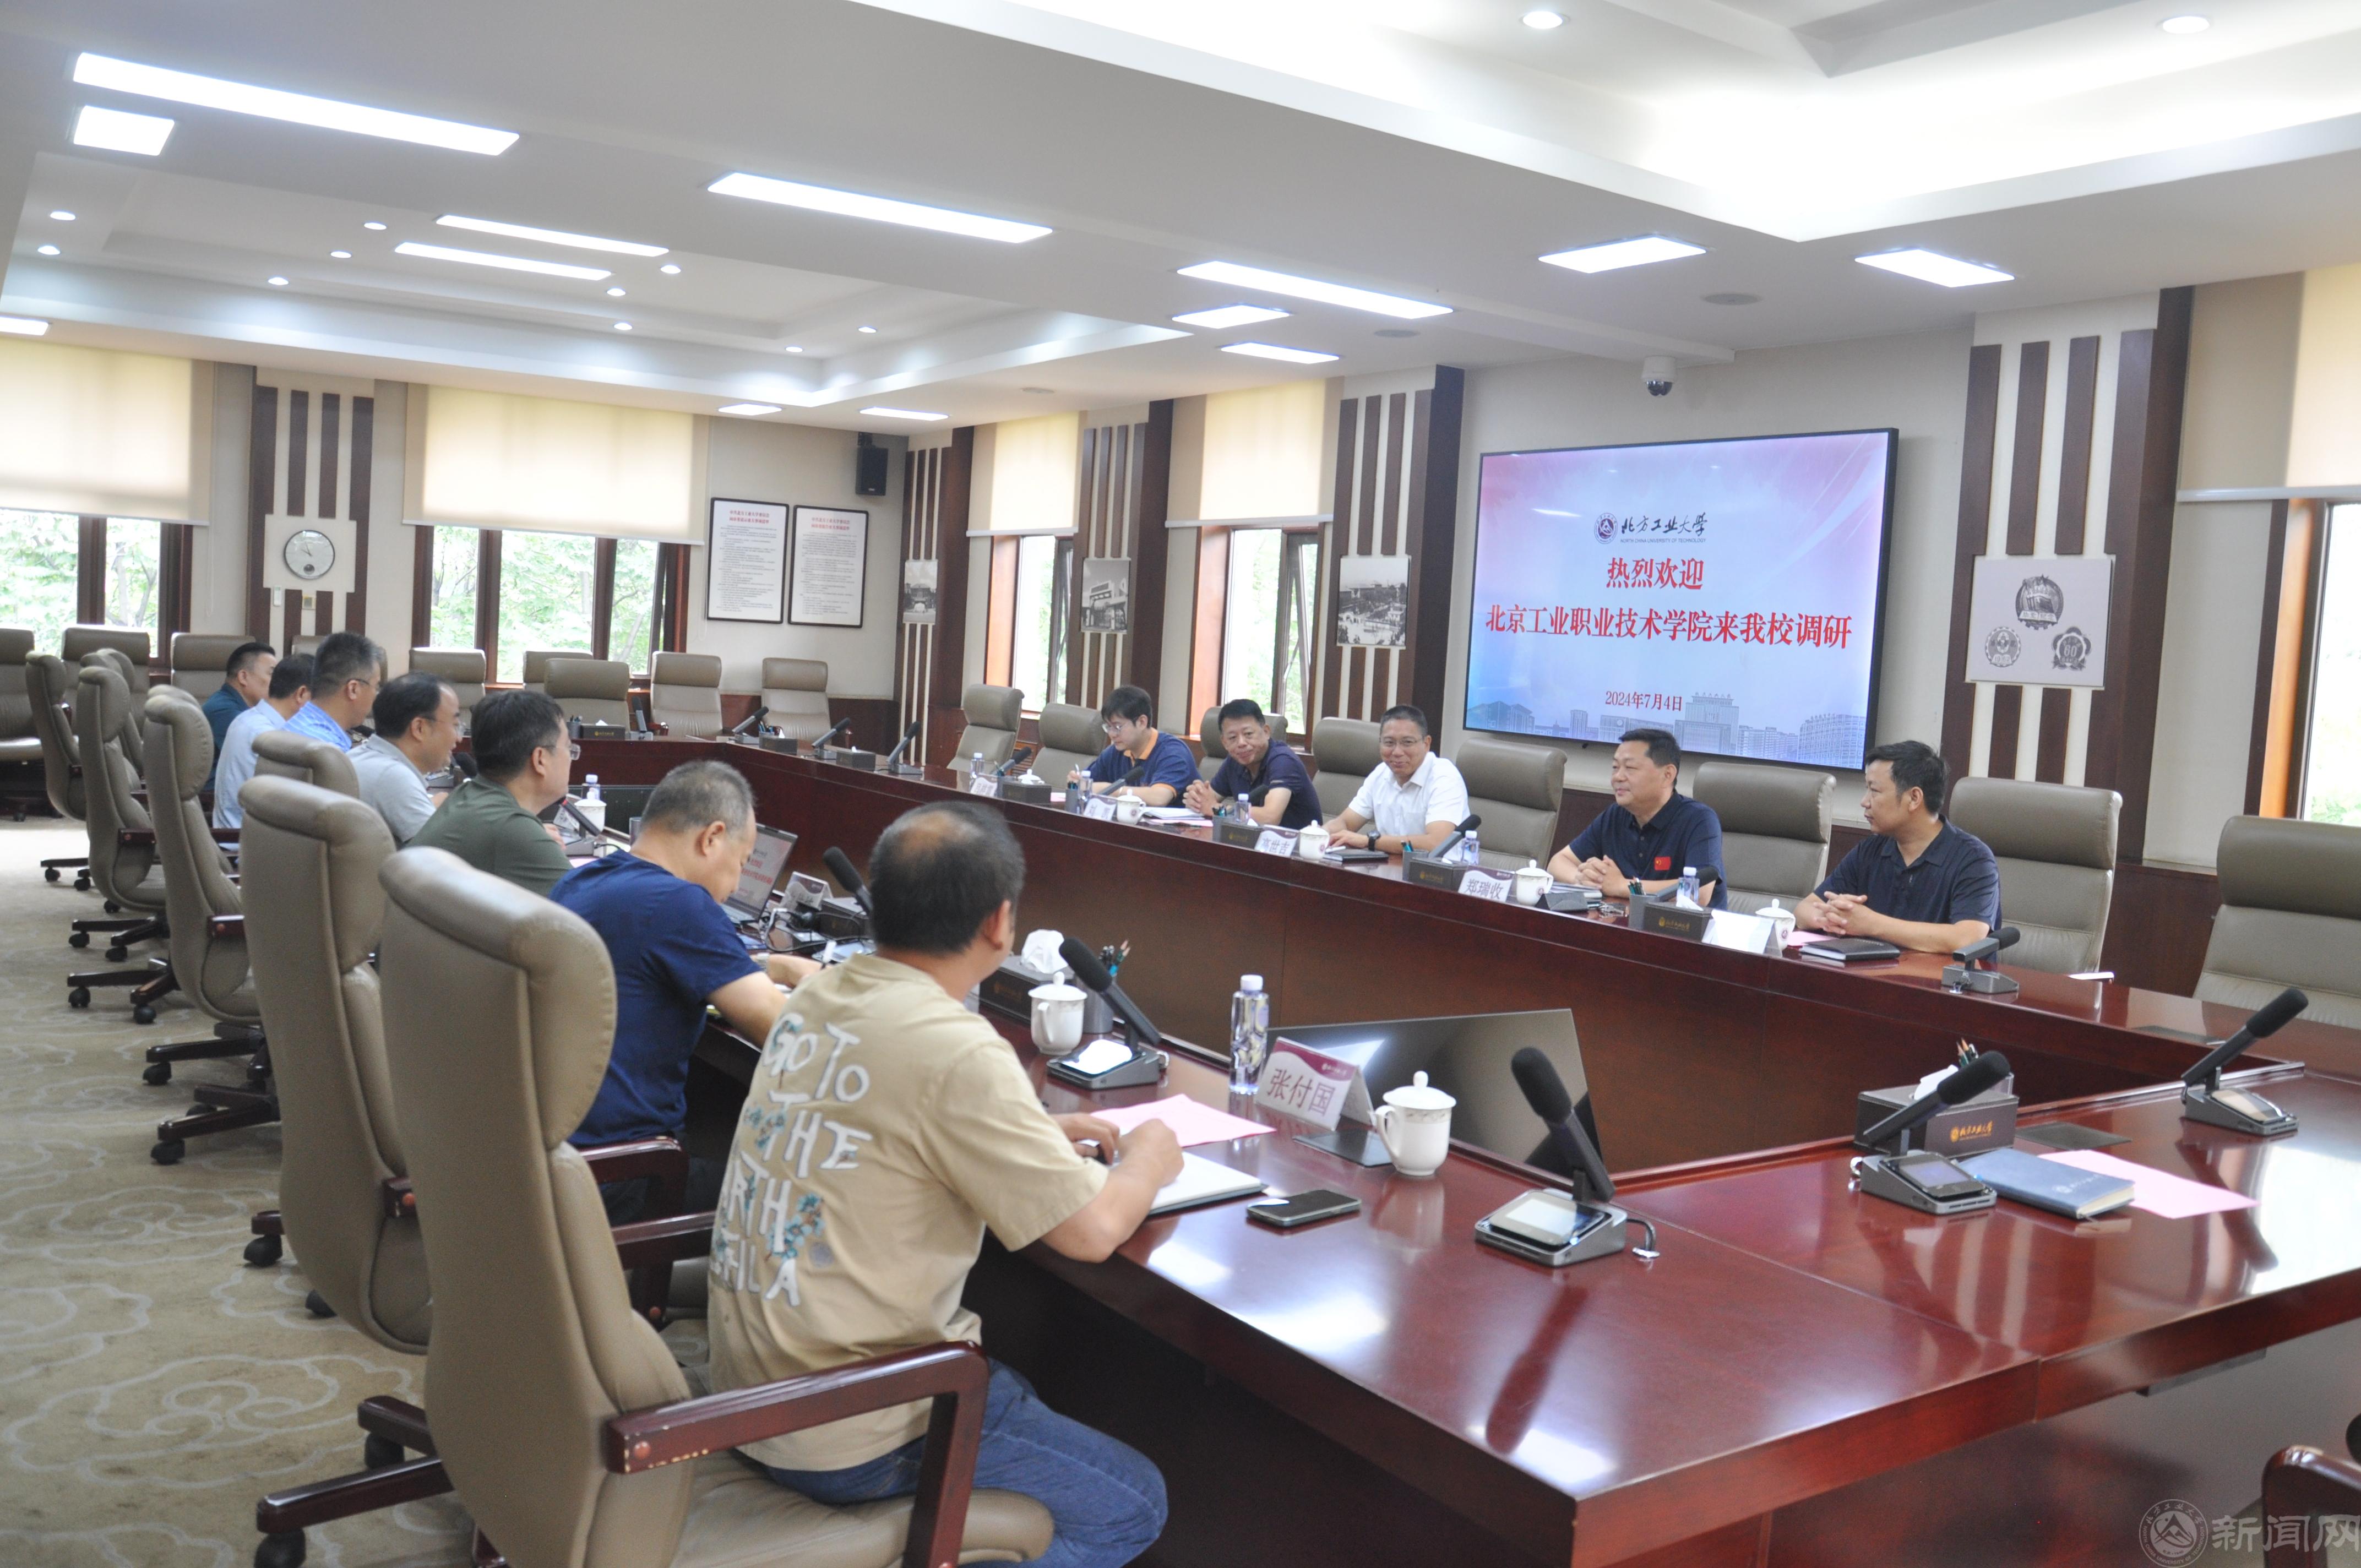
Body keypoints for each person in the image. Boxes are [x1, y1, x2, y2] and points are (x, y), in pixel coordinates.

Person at [710, 802, 1180, 1568]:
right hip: (844, 1429)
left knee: (1019, 1380)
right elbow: (1093, 1231)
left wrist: (1026, 1132)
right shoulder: (958, 1048)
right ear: (1000, 922)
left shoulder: (821, 994)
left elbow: (883, 1115)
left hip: (752, 1392)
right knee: (1132, 1505)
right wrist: (1151, 1156)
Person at [553, 760, 820, 1222]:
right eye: (742, 864)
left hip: (560, 1159)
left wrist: (771, 964)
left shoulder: (583, 880)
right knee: (814, 1192)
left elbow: (643, 957)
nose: (735, 887)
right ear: (712, 837)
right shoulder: (681, 904)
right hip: (627, 1176)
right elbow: (785, 1032)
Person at [1798, 739, 1999, 954]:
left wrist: (1871, 924)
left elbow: (1967, 939)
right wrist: (1835, 918)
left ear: (1914, 798)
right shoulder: (1871, 850)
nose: (1865, 802)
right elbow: (1804, 910)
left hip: (1937, 975)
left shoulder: (1973, 859)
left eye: (1874, 791)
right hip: (1875, 970)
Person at [408, 689, 574, 896]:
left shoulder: (468, 794)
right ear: (540, 759)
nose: (571, 758)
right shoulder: (513, 828)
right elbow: (590, 908)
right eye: (569, 748)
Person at [1548, 728, 1725, 907]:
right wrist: (1583, 879)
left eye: (1630, 768)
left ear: (1667, 775)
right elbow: (1558, 863)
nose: (1618, 777)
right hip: (1625, 921)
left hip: (1684, 925)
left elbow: (1699, 892)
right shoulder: (1615, 815)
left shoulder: (1699, 819)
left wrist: (1622, 886)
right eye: (1615, 767)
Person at [1321, 704, 1470, 856]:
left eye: (1407, 742)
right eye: (1389, 743)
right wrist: (1320, 834)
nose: (1397, 752)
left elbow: (1436, 843)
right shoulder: (1381, 773)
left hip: (1435, 869)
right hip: (1387, 866)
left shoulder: (1444, 777)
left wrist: (1369, 841)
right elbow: (1346, 823)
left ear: (1426, 744)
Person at [349, 670, 460, 845]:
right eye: (455, 725)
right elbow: (442, 854)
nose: (459, 738)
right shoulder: (393, 776)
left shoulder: (361, 755)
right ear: (420, 728)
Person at [1182, 699, 1317, 829]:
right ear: (1224, 742)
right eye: (1233, 738)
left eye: (1248, 734)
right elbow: (1209, 799)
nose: (1241, 743)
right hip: (1247, 840)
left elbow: (1270, 817)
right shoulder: (1234, 761)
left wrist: (1217, 810)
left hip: (1293, 843)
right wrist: (1196, 800)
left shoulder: (1283, 761)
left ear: (1266, 732)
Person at [212, 654, 311, 831]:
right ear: (301, 694)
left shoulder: (249, 718)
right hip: (243, 841)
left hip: (242, 834)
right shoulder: (269, 736)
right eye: (318, 700)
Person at [1070, 685, 1196, 807]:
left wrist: (1110, 789)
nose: (1112, 734)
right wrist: (1076, 781)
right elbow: (1086, 782)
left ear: (1142, 722)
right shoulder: (1115, 752)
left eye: (1118, 727)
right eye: (1108, 727)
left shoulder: (1172, 752)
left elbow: (1160, 798)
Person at [287, 630, 382, 752]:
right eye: (376, 686)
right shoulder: (330, 750)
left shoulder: (293, 724)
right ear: (353, 689)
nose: (376, 695)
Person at [200, 641, 276, 790]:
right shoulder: (223, 710)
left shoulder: (242, 707)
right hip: (215, 795)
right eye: (272, 674)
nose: (277, 682)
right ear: (243, 677)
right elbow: (261, 757)